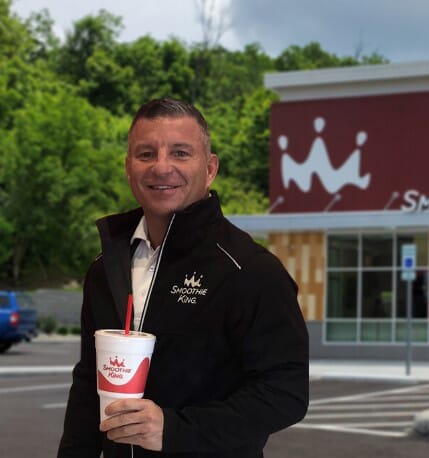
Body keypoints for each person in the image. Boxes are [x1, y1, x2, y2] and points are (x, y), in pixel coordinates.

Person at [58, 98, 309, 457]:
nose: (162, 167)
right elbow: (87, 384)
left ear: (209, 169)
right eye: (146, 154)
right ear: (128, 167)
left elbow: (285, 393)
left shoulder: (250, 270)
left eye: (180, 153)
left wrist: (174, 430)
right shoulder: (105, 269)